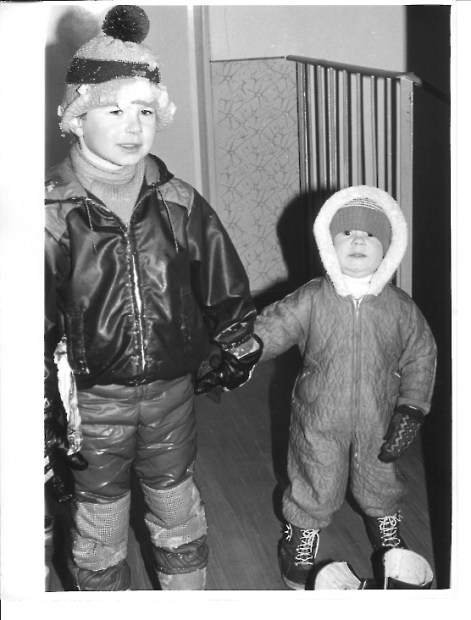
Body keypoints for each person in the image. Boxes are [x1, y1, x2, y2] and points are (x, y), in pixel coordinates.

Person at [44, 4, 262, 591]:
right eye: (114, 110)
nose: (134, 125)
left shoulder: (179, 201)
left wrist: (238, 337)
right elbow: (30, 316)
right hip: (93, 402)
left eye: (145, 110)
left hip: (171, 393)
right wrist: (40, 394)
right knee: (99, 521)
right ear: (77, 118)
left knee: (177, 505)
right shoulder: (53, 215)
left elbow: (222, 277)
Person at [254, 185, 437, 590]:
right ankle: (300, 537)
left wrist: (412, 407)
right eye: (347, 233)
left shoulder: (401, 308)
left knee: (381, 476)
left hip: (379, 415)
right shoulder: (312, 298)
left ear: (388, 249)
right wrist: (244, 348)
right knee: (314, 474)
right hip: (319, 414)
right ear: (327, 244)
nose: (358, 240)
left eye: (370, 234)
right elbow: (276, 325)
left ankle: (385, 528)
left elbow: (422, 356)